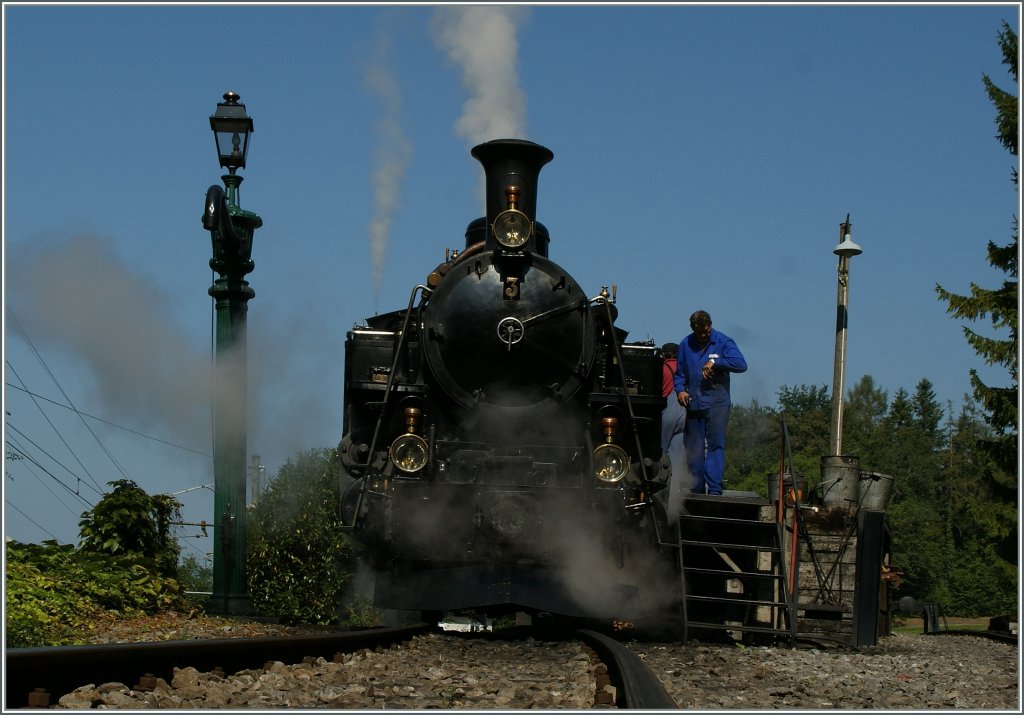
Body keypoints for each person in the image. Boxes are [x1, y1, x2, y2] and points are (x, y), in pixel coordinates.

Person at [673, 310, 747, 495]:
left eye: (706, 332)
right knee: (694, 448)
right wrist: (680, 390)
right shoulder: (685, 344)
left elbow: (741, 364)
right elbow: (679, 374)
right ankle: (696, 488)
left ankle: (714, 489)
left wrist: (717, 363)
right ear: (693, 330)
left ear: (710, 325)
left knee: (715, 445)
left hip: (717, 403)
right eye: (699, 333)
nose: (704, 336)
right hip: (694, 404)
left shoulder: (723, 342)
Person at [660, 342, 686, 471]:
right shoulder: (684, 368)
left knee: (660, 451)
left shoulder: (662, 368)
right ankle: (676, 483)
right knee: (677, 452)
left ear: (664, 355)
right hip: (684, 412)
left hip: (668, 410)